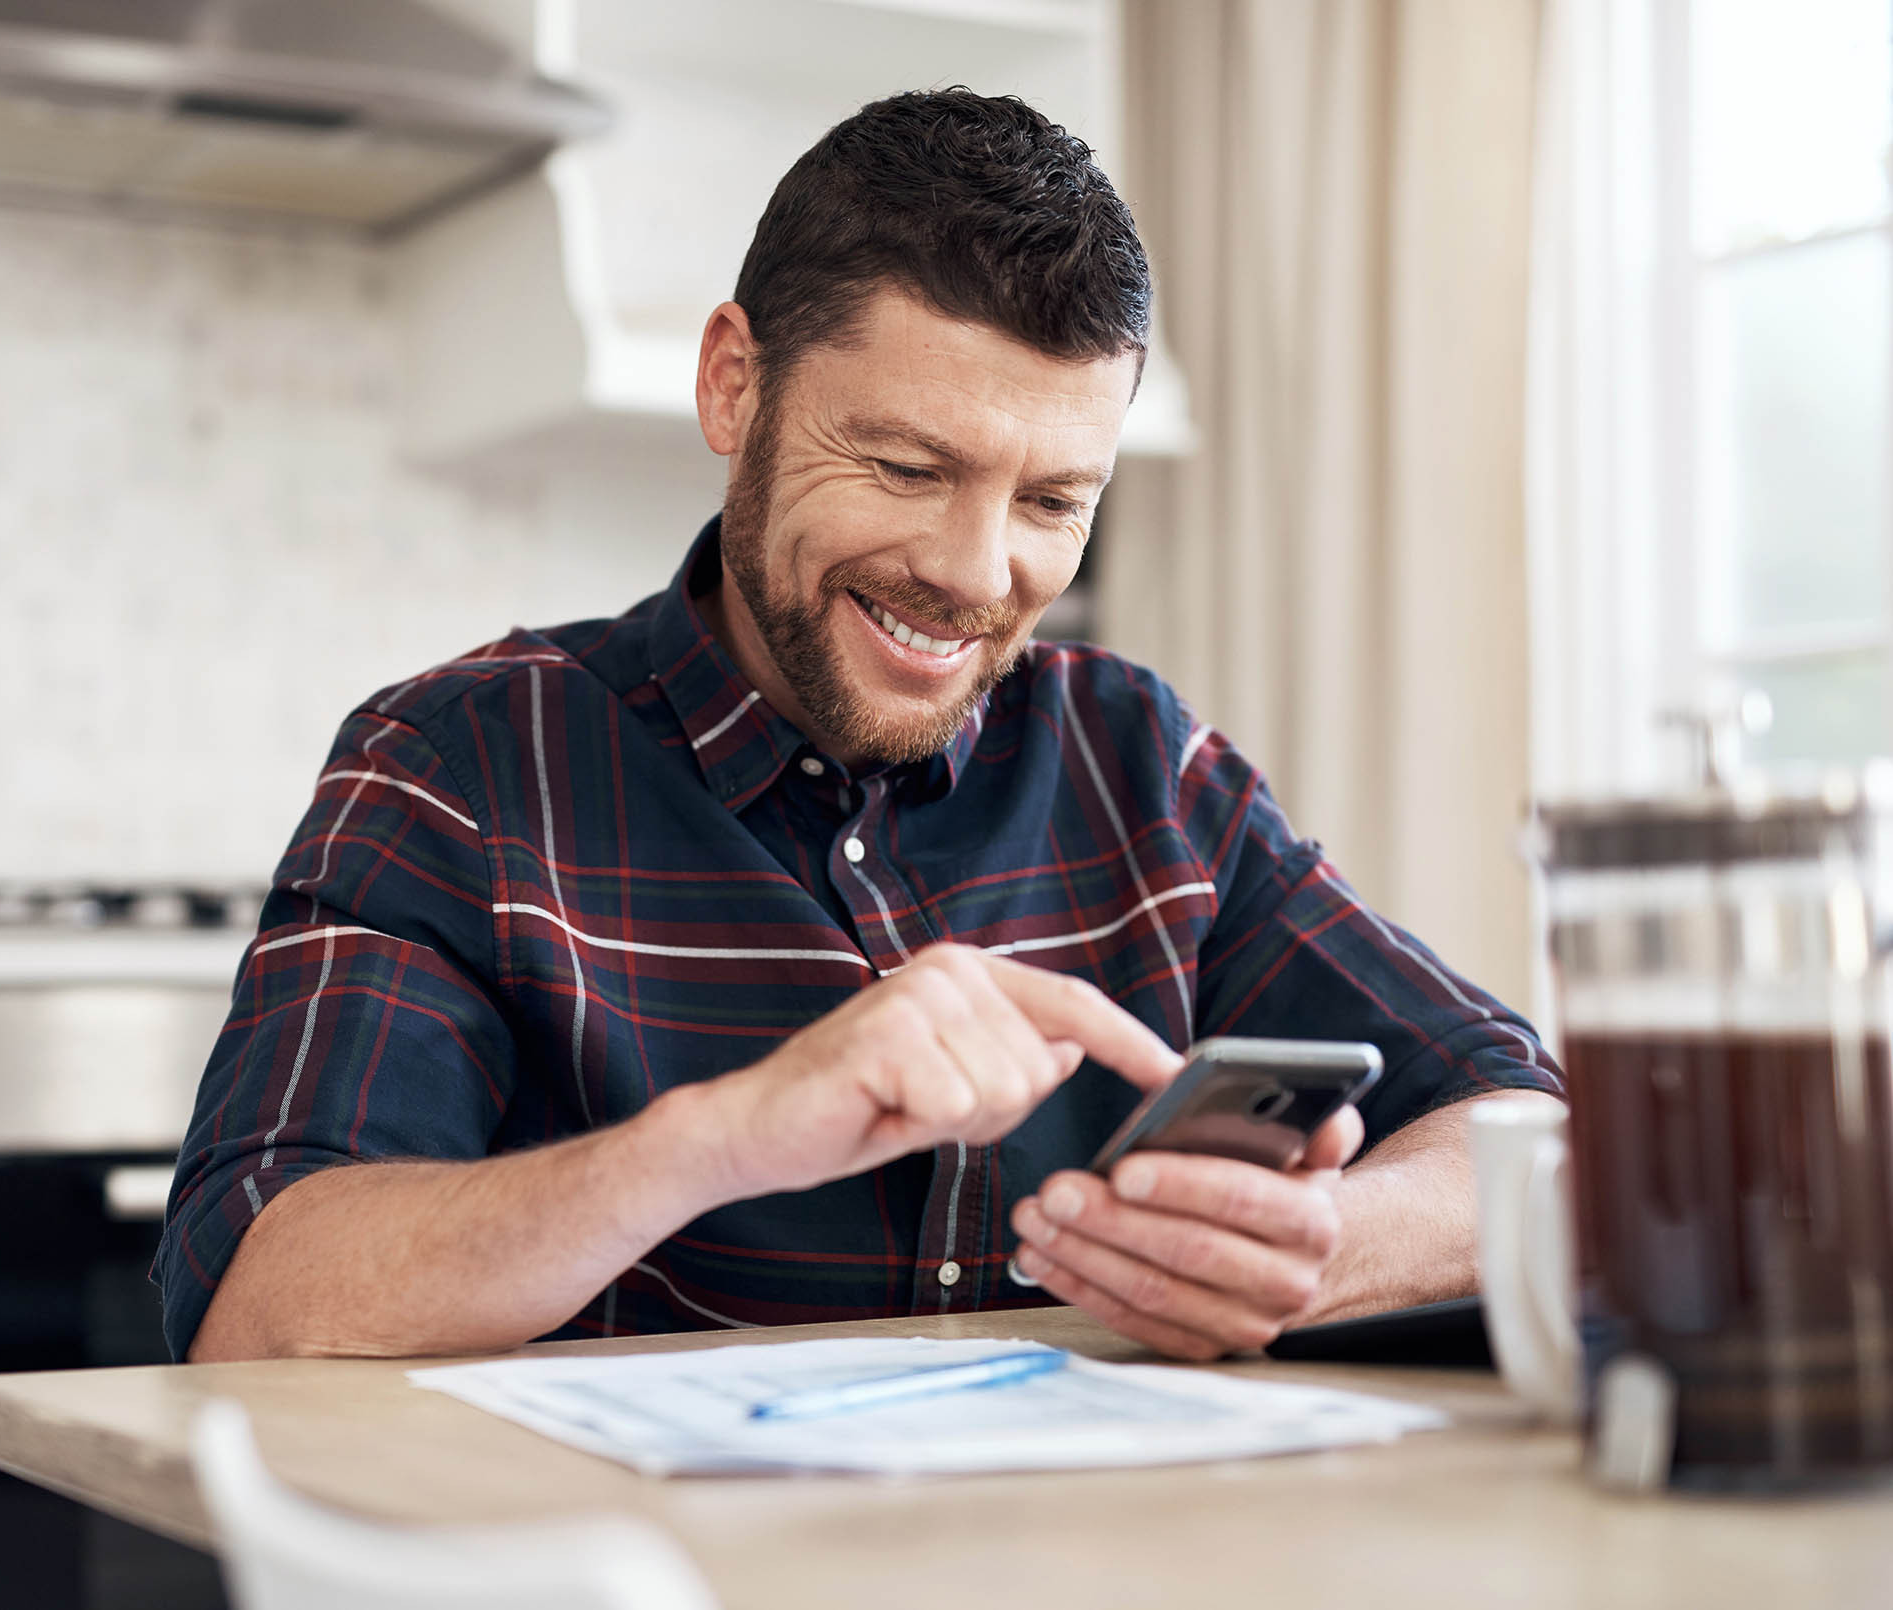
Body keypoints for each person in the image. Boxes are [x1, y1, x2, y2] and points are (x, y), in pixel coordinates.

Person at [159, 88, 1563, 1366]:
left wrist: (1314, 1254)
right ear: (734, 385)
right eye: (906, 465)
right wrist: (715, 1139)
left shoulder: (1139, 760)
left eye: (1052, 503)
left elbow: (1533, 1132)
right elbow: (258, 1307)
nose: (974, 569)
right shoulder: (461, 768)